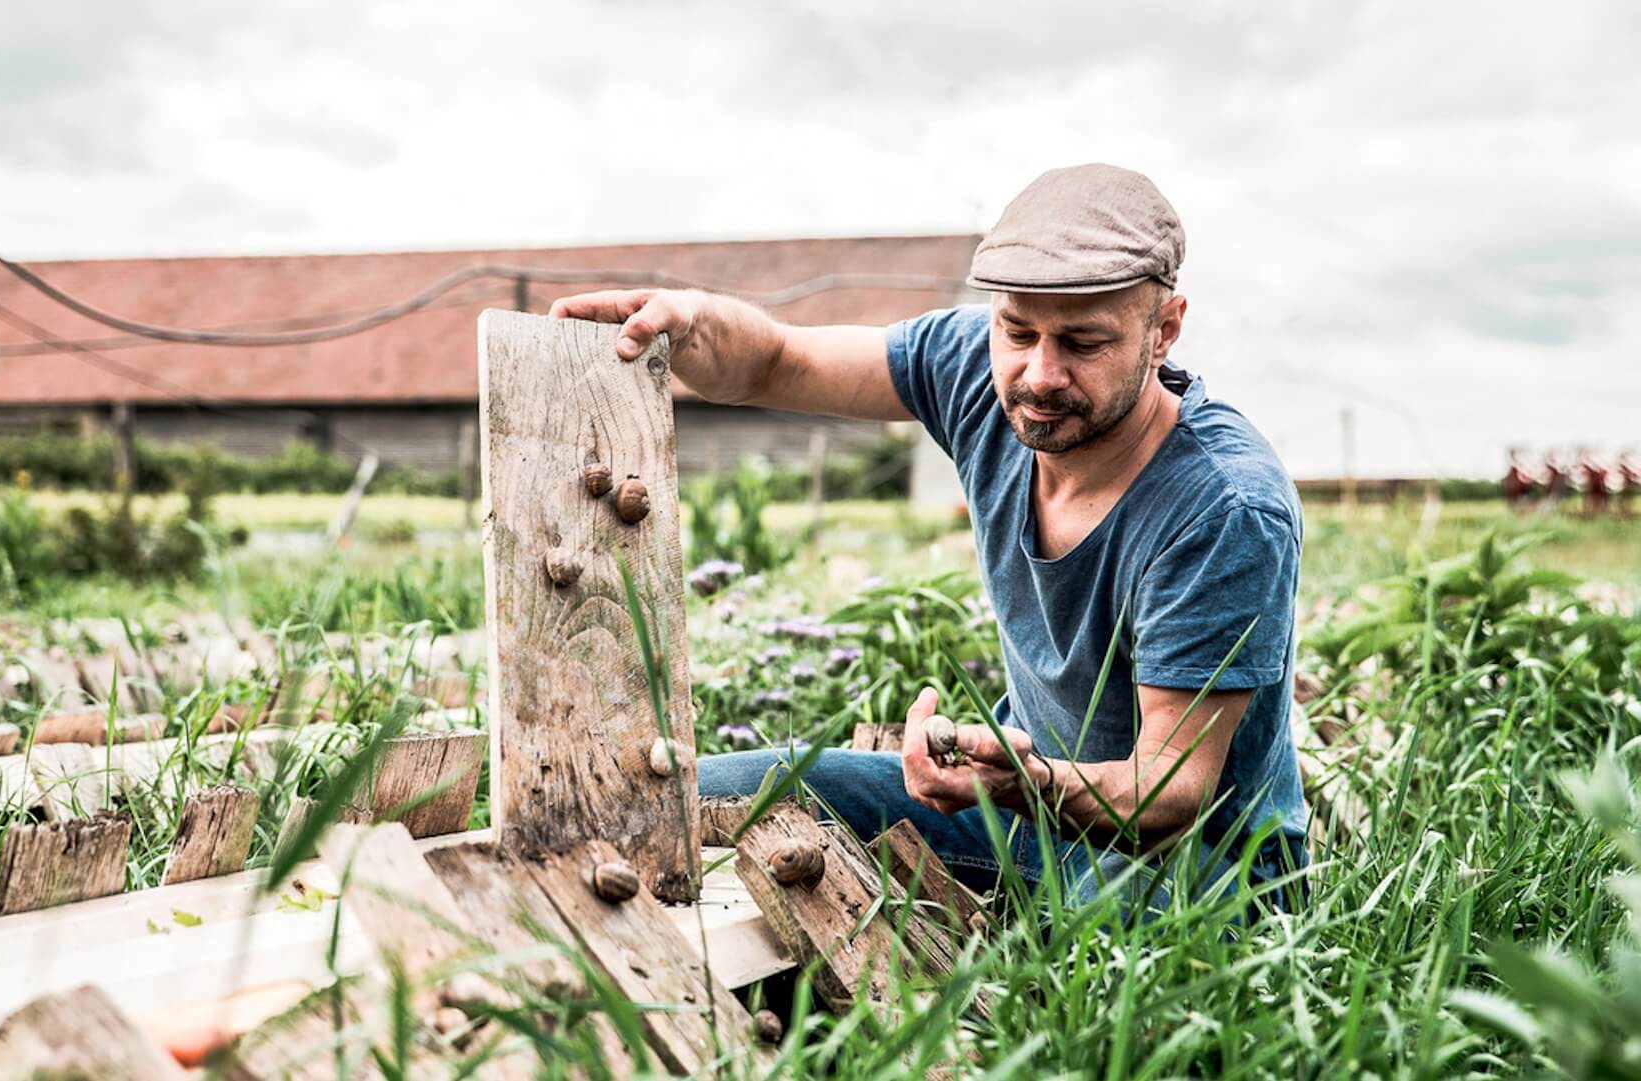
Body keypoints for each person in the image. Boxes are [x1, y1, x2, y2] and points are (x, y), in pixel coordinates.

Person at [551, 164, 1308, 913]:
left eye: (1083, 343)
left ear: (1164, 331)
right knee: (710, 794)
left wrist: (1028, 779)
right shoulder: (974, 369)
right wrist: (691, 321)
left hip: (1195, 868)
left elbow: (1169, 792)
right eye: (1018, 331)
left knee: (1077, 947)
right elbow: (782, 360)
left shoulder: (1224, 508)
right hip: (1021, 811)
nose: (1039, 374)